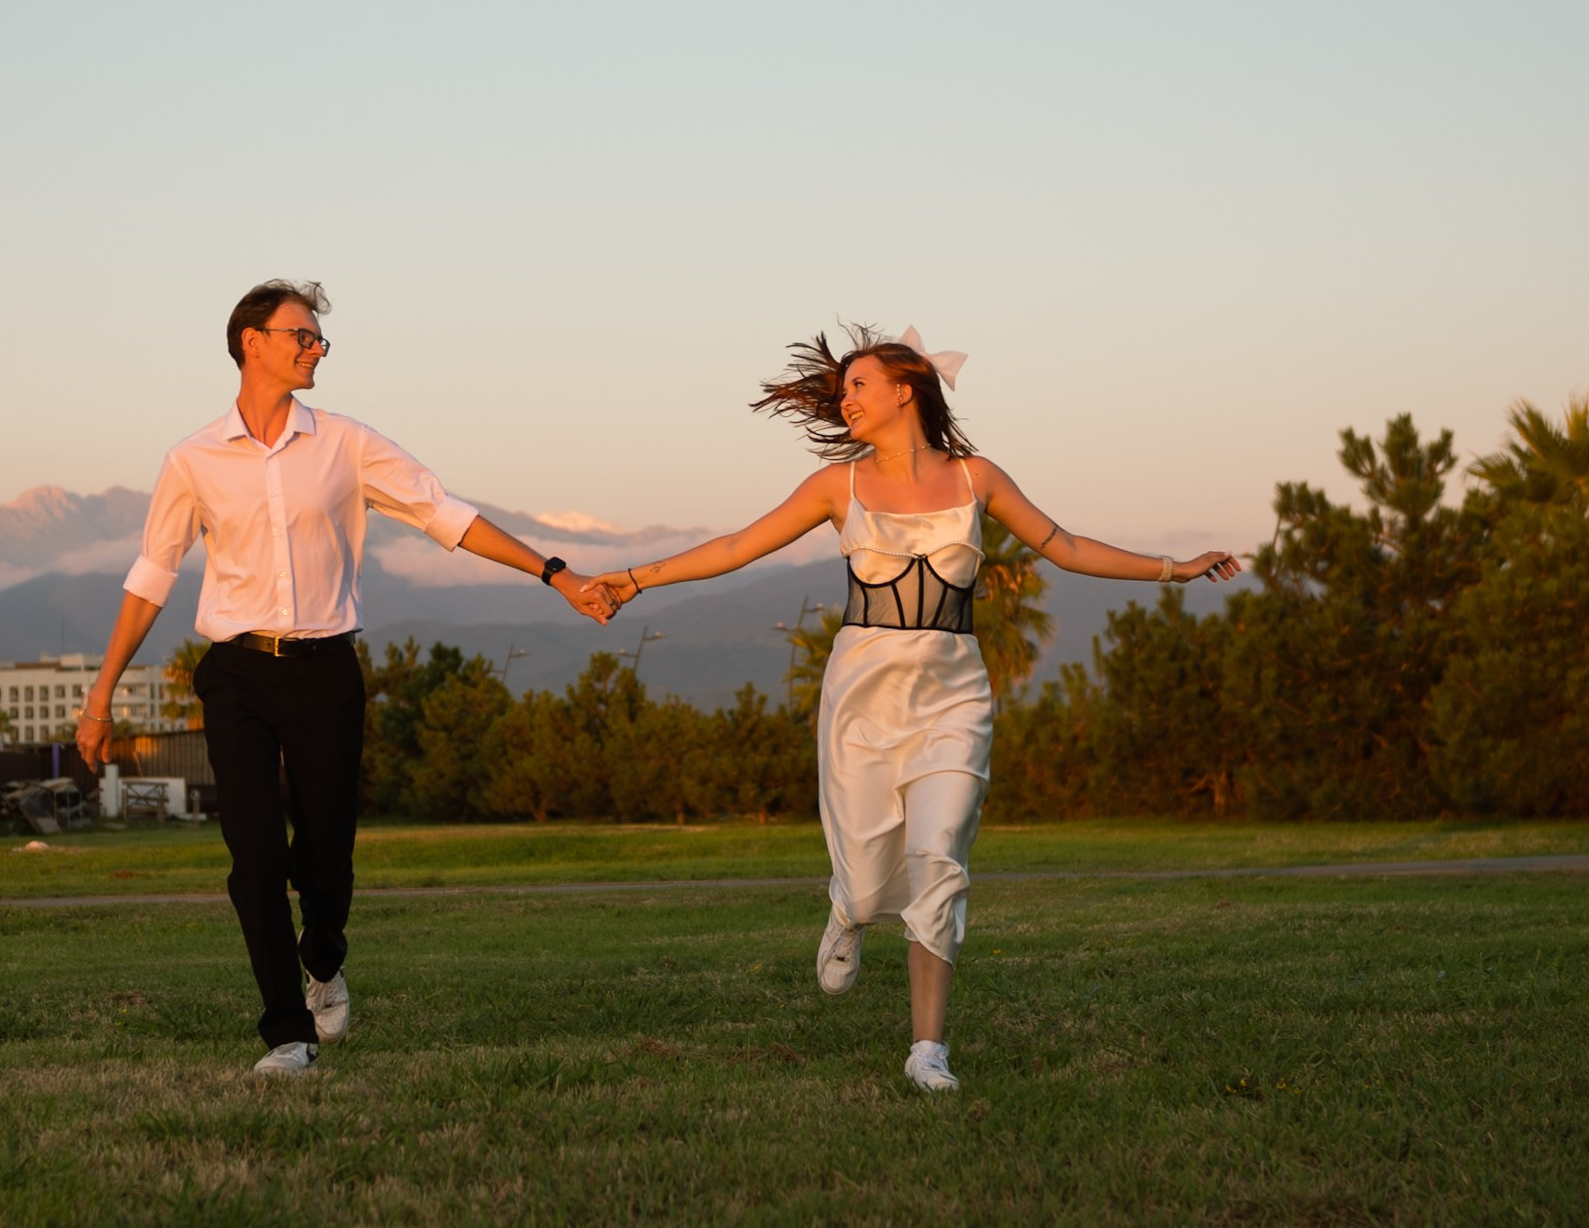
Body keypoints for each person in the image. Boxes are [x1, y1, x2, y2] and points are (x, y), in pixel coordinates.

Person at [595, 325, 1241, 1095]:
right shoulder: (839, 486)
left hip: (954, 691)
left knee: (940, 860)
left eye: (858, 386)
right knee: (872, 882)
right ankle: (848, 910)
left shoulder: (978, 477)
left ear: (906, 389)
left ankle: (927, 1049)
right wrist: (633, 579)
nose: (845, 401)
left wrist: (1175, 568)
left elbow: (1063, 545)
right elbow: (738, 546)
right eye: (841, 392)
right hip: (863, 693)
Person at [76, 280, 614, 1076]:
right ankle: (286, 1032)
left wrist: (555, 572)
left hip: (327, 670)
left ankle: (322, 959)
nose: (315, 348)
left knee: (327, 859)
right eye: (302, 334)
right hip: (234, 675)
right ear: (250, 341)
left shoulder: (347, 444)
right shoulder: (191, 460)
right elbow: (152, 575)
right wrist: (101, 694)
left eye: (320, 338)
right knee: (253, 857)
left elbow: (446, 514)